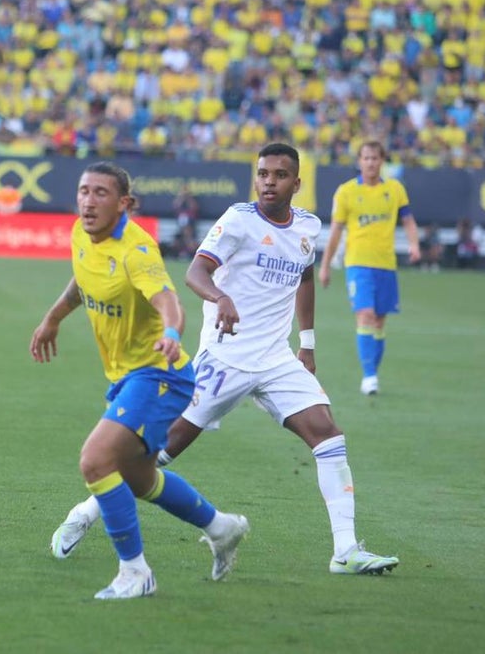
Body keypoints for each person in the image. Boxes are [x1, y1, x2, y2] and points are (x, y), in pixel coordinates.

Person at [49, 144, 399, 576]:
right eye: (263, 174)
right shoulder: (239, 220)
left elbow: (304, 274)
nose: (269, 181)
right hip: (225, 356)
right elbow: (196, 272)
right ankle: (85, 512)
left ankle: (345, 550)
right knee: (159, 451)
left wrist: (306, 342)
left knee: (329, 437)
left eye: (279, 175)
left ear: (297, 184)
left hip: (276, 358)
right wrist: (221, 296)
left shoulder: (308, 225)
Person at [30, 161, 250, 600]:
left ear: (124, 203)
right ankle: (222, 528)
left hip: (160, 374)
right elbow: (83, 279)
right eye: (83, 191)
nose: (88, 201)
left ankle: (135, 572)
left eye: (100, 193)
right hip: (127, 376)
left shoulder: (137, 249)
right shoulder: (81, 234)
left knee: (95, 461)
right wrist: (53, 318)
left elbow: (169, 301)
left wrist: (171, 332)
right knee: (141, 478)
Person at [319, 141, 420, 396]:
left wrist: (414, 245)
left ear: (382, 161)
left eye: (375, 158)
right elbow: (335, 231)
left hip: (386, 264)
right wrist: (325, 266)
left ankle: (372, 373)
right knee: (365, 315)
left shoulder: (395, 189)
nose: (371, 162)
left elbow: (408, 220)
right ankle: (369, 376)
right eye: (366, 158)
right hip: (358, 263)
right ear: (359, 161)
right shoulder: (346, 192)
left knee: (379, 322)